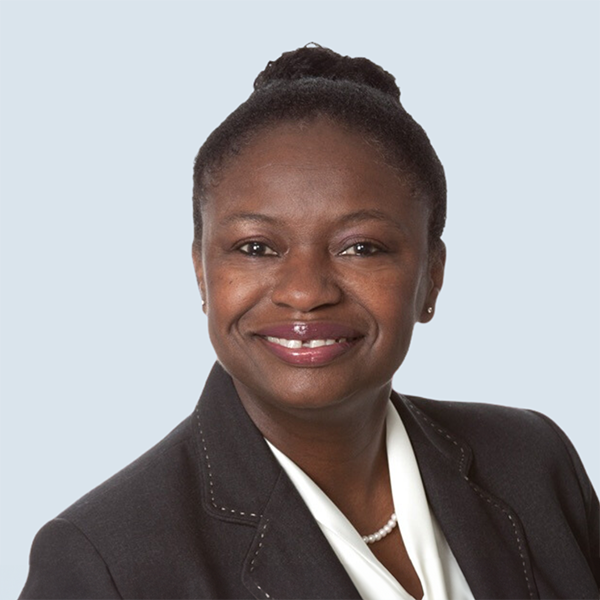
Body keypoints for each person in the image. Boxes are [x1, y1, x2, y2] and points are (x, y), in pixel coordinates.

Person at [19, 45, 599, 600]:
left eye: (361, 247)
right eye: (255, 248)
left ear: (432, 277)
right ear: (202, 274)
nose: (305, 292)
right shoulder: (106, 564)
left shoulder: (532, 462)